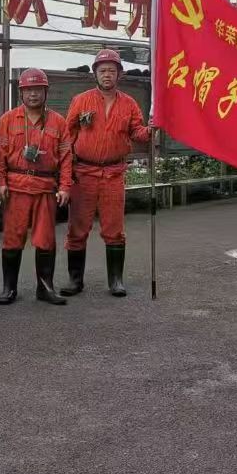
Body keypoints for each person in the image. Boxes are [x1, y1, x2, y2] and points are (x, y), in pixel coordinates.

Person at [62, 48, 153, 297]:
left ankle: (115, 281)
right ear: (95, 74)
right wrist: (66, 171)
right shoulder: (81, 101)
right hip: (83, 173)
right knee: (78, 228)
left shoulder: (129, 103)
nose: (107, 75)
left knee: (114, 229)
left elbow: (137, 133)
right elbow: (67, 136)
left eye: (112, 71)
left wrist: (152, 129)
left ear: (119, 74)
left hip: (113, 173)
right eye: (102, 71)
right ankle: (75, 280)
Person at [0, 68, 72, 305]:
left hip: (45, 187)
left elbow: (66, 157)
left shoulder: (58, 122)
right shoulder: (8, 120)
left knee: (46, 239)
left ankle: (45, 288)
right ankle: (9, 289)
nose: (33, 95)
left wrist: (65, 187)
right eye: (28, 90)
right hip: (16, 187)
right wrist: (0, 182)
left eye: (38, 90)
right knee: (12, 238)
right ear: (21, 93)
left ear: (45, 92)